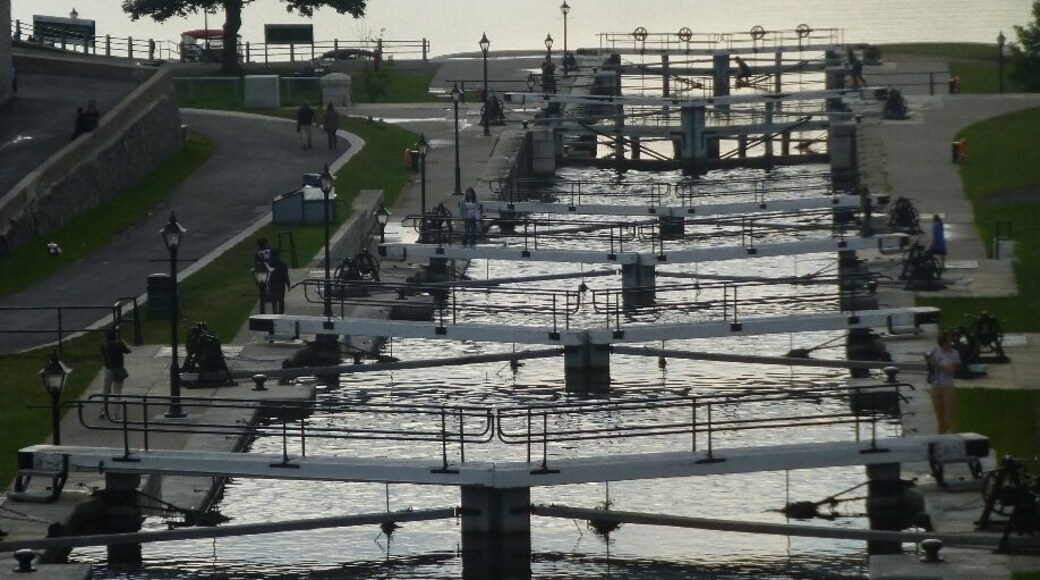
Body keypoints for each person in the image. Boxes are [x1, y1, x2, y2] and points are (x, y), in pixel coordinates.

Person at [927, 330, 961, 434]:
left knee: (949, 419)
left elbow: (949, 370)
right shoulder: (935, 351)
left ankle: (955, 440)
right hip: (936, 387)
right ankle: (941, 440)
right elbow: (930, 369)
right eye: (948, 340)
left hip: (947, 387)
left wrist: (936, 361)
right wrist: (928, 361)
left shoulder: (954, 353)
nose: (950, 342)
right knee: (940, 420)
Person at [100, 330, 132, 420]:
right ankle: (115, 414)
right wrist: (124, 343)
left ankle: (103, 410)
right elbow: (129, 351)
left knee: (106, 391)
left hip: (108, 369)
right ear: (115, 336)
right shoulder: (119, 345)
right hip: (118, 369)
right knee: (117, 392)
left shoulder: (104, 346)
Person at [266, 249, 291, 314]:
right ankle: (281, 313)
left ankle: (275, 313)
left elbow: (267, 275)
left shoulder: (269, 264)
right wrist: (288, 284)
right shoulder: (282, 264)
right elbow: (285, 275)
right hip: (281, 284)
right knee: (281, 300)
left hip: (272, 284)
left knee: (274, 300)